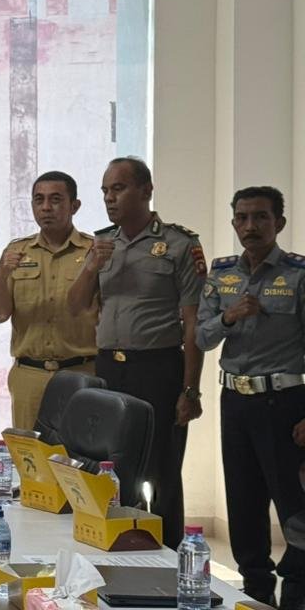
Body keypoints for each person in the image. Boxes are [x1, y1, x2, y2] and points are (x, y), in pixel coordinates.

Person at [67, 156, 206, 548]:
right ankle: (113, 545)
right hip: (110, 368)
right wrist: (91, 267)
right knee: (109, 463)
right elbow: (74, 306)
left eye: (119, 188)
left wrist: (190, 389)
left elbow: (193, 322)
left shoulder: (179, 244)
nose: (110, 198)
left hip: (157, 368)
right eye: (105, 191)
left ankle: (168, 556)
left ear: (146, 190)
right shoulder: (101, 243)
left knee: (161, 469)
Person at [198, 186, 305, 609]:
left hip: (285, 403)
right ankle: (256, 591)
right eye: (242, 218)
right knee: (243, 502)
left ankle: (296, 591)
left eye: (261, 217)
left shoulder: (297, 274)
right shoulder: (222, 273)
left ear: (279, 222)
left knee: (294, 505)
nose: (250, 226)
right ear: (233, 223)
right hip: (236, 402)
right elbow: (201, 336)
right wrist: (229, 316)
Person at [0, 171, 97, 431]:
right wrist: (1, 275)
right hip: (30, 375)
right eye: (39, 200)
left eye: (55, 199)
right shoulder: (17, 251)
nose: (46, 207)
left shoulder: (93, 252)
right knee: (29, 451)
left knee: (79, 450)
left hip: (81, 372)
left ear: (74, 206)